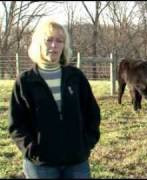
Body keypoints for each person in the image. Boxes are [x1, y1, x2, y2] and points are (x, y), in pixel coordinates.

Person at [8, 18, 101, 178]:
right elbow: (16, 124)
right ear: (38, 44)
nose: (54, 45)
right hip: (41, 165)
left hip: (76, 162)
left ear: (64, 46)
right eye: (49, 40)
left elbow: (92, 113)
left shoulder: (76, 77)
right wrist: (31, 150)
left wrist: (86, 145)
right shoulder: (25, 81)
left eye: (59, 41)